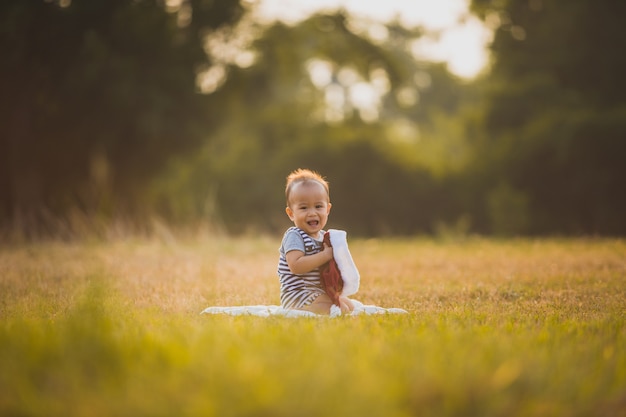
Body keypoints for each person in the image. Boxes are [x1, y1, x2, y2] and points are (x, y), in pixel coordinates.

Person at [278, 168, 355, 315]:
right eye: (304, 207)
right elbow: (296, 266)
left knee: (348, 306)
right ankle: (302, 311)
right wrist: (325, 256)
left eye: (318, 206)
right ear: (291, 213)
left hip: (317, 292)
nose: (312, 212)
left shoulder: (324, 236)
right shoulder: (294, 235)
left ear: (327, 209)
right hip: (298, 295)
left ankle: (325, 307)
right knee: (338, 309)